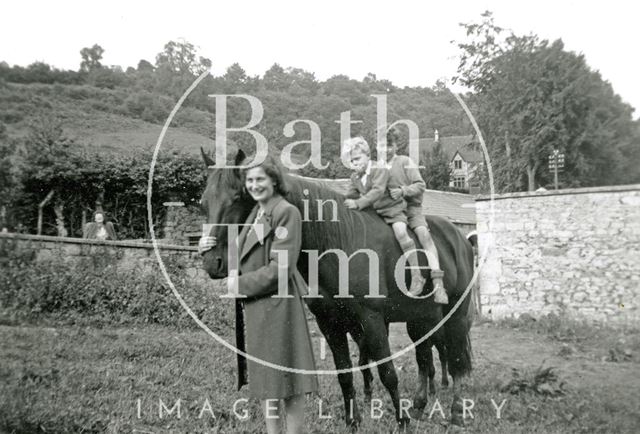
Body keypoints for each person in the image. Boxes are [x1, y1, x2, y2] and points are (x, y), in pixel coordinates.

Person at [198, 157, 318, 434]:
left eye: (260, 179)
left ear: (274, 181)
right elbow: (243, 261)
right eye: (249, 180)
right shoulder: (255, 215)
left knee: (290, 385)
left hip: (280, 307)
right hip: (258, 308)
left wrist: (238, 285)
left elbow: (281, 268)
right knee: (268, 383)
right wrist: (206, 249)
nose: (254, 185)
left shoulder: (286, 212)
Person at [343, 136, 426, 296]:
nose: (355, 163)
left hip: (392, 210)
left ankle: (417, 275)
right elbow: (351, 194)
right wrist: (343, 201)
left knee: (401, 233)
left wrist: (358, 203)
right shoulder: (355, 177)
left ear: (368, 155)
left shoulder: (379, 169)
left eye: (358, 159)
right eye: (352, 161)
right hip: (375, 213)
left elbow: (378, 191)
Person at [385, 128, 447, 303]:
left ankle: (437, 282)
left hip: (412, 209)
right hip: (392, 210)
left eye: (389, 145)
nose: (386, 149)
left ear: (396, 145)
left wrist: (403, 191)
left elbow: (420, 185)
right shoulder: (376, 167)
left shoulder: (405, 162)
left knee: (424, 235)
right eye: (382, 145)